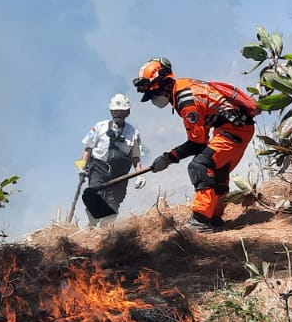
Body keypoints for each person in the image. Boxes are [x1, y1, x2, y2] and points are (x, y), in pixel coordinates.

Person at [134, 58, 258, 234]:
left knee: (200, 165)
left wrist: (168, 157)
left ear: (165, 84)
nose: (154, 99)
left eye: (154, 93)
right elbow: (202, 137)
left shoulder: (185, 100)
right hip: (233, 128)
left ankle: (200, 220)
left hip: (234, 130)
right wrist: (171, 157)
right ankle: (215, 217)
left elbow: (197, 143)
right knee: (217, 168)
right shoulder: (185, 86)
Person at [79, 93, 144, 228]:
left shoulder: (133, 133)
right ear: (111, 111)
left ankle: (104, 232)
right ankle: (91, 227)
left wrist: (139, 174)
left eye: (122, 112)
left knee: (113, 204)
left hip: (120, 174)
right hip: (98, 169)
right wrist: (82, 166)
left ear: (127, 112)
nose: (119, 114)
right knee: (94, 197)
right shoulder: (99, 127)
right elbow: (88, 148)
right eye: (116, 111)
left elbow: (135, 156)